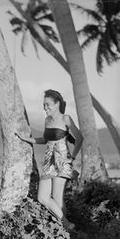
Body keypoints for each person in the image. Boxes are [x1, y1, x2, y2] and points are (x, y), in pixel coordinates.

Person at [16, 89, 83, 231]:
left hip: (62, 161)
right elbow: (45, 140)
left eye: (48, 104)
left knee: (57, 198)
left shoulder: (66, 119)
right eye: (44, 105)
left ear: (57, 103)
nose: (45, 108)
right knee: (42, 198)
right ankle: (67, 225)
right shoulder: (47, 120)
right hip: (48, 162)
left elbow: (79, 138)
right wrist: (25, 139)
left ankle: (63, 233)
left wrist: (73, 157)